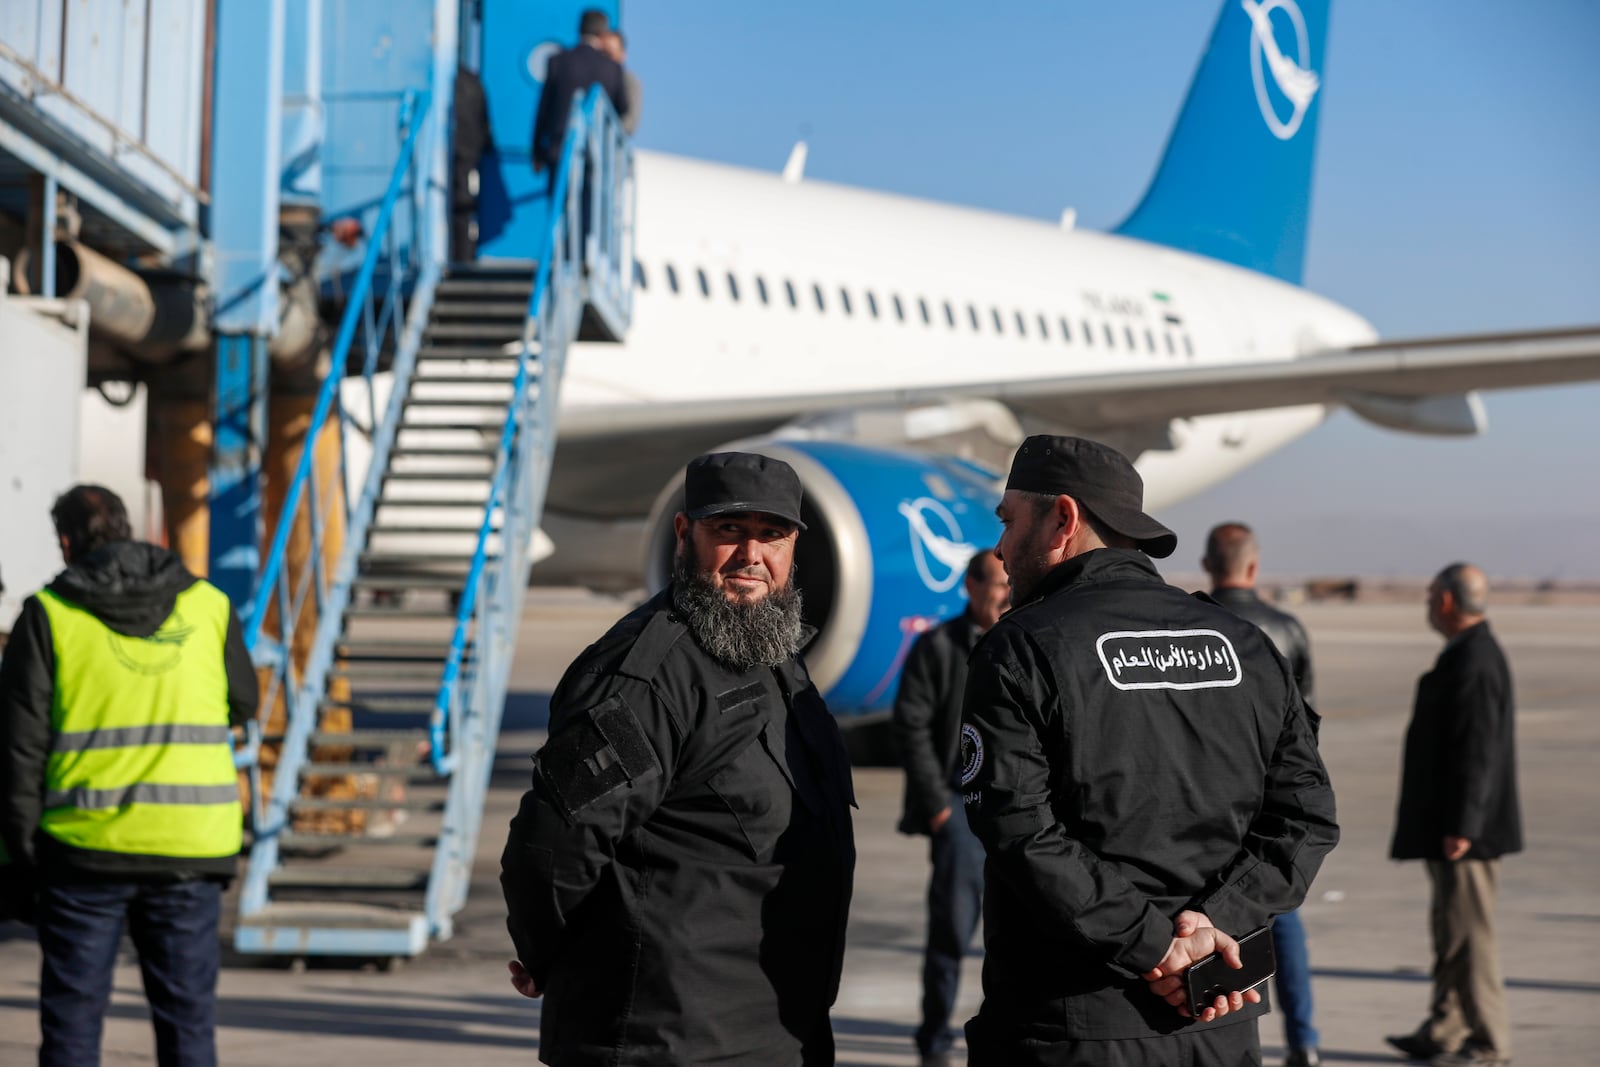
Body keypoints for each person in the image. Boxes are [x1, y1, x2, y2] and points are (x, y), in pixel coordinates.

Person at [960, 435, 1340, 1067]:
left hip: (1072, 1025)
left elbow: (1019, 829)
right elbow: (1305, 817)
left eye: (1008, 521)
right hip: (1218, 1011)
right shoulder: (1244, 645)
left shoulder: (1022, 647)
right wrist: (1214, 926)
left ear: (1063, 518)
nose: (999, 549)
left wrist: (1154, 946)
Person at [501, 452, 856, 1065]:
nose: (752, 556)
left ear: (795, 546)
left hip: (773, 1031)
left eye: (771, 535)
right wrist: (551, 956)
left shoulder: (773, 655)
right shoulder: (644, 679)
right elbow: (554, 846)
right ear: (684, 532)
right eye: (729, 532)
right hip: (666, 1040)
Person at [0, 485, 258, 1067]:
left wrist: (20, 856)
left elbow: (18, 749)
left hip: (84, 850)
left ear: (66, 541)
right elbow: (242, 702)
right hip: (192, 849)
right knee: (188, 1022)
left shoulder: (49, 615)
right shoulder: (209, 605)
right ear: (130, 526)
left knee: (72, 1021)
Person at [1386, 563, 1520, 1066]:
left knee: (1471, 938)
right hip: (1451, 823)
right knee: (1449, 932)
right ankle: (1444, 1027)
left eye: (1429, 597)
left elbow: (1478, 751)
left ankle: (1490, 1042)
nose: (1426, 606)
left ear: (1445, 601)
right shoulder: (1466, 654)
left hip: (1466, 830)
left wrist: (1464, 824)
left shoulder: (1476, 659)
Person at [1202, 522, 1323, 1067]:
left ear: (1208, 564)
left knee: (1208, 921)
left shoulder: (1188, 623)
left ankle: (1210, 1024)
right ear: (1253, 567)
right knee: (1283, 919)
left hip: (1206, 807)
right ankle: (1304, 1041)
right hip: (1267, 803)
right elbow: (1305, 730)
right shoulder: (1287, 629)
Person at [893, 548, 1009, 1067]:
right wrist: (938, 805)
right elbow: (911, 724)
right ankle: (935, 1040)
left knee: (1012, 942)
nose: (1005, 596)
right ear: (971, 586)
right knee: (951, 933)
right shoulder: (939, 646)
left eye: (1011, 586)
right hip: (959, 810)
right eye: (996, 586)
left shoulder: (1022, 642)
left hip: (1014, 814)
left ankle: (1003, 1036)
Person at [531, 9, 628, 176]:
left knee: (562, 199)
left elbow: (543, 110)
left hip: (560, 150)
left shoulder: (558, 62)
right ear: (603, 35)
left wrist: (538, 152)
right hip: (598, 154)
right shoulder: (613, 68)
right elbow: (622, 108)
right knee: (591, 199)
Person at [450, 65, 495, 262]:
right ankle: (464, 257)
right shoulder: (472, 82)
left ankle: (458, 256)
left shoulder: (445, 80)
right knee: (465, 205)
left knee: (459, 205)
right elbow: (483, 121)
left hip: (455, 151)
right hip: (468, 153)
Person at [602, 30, 642, 136]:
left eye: (610, 54)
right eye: (603, 54)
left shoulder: (630, 82)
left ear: (622, 54)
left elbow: (630, 123)